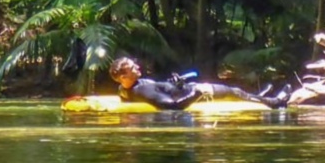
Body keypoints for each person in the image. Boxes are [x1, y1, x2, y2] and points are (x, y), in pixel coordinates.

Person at [108, 57, 290, 111]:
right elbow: (172, 106)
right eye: (132, 68)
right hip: (196, 93)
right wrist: (198, 94)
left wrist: (174, 85)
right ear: (123, 76)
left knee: (238, 91)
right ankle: (277, 103)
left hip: (183, 89)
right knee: (235, 92)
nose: (137, 67)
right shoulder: (143, 91)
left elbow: (163, 91)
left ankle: (262, 96)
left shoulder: (124, 89)